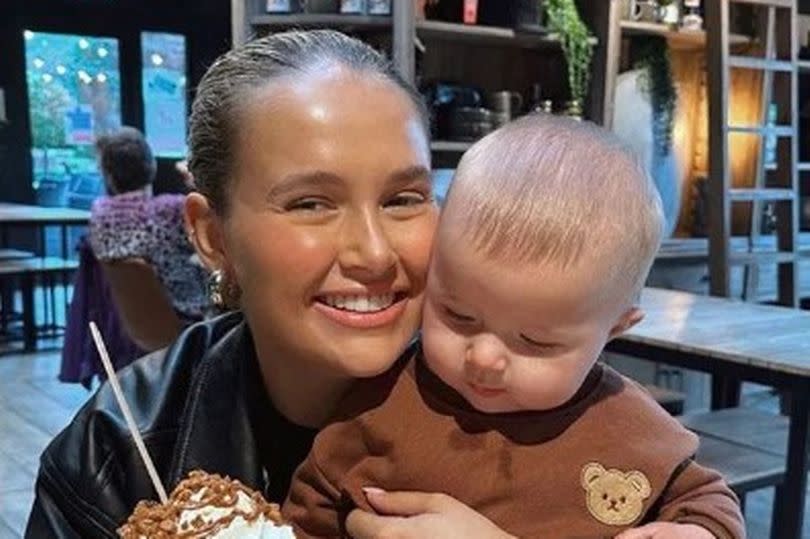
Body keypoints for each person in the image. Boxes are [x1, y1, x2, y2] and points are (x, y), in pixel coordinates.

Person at [26, 30, 515, 539]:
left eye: (404, 198)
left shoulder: (545, 401)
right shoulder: (116, 455)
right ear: (213, 236)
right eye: (310, 203)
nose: (374, 253)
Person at [283, 115, 746, 539]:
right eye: (458, 315)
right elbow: (306, 513)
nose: (483, 357)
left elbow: (708, 503)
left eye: (535, 341)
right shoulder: (378, 406)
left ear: (615, 329)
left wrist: (697, 533)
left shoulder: (631, 427)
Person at [88, 126, 209, 323]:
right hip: (191, 319)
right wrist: (196, 181)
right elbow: (219, 225)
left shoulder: (99, 213)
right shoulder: (171, 210)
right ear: (151, 164)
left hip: (134, 328)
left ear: (108, 175)